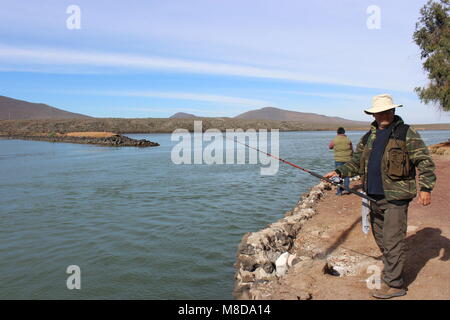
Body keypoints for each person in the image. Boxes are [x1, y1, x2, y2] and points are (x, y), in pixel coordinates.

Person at [324, 94, 436, 299]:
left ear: (393, 111)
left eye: (387, 111)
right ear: (373, 114)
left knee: (393, 240)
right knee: (381, 238)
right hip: (372, 196)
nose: (384, 115)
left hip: (396, 197)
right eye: (379, 112)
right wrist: (339, 173)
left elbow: (425, 161)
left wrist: (426, 188)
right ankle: (394, 266)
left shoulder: (406, 133)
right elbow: (356, 163)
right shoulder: (368, 137)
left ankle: (395, 284)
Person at [328, 127, 353, 195]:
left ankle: (339, 191)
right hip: (348, 159)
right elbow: (352, 149)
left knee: (338, 175)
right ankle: (347, 189)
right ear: (344, 132)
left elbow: (330, 147)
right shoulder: (348, 139)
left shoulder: (335, 140)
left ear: (337, 132)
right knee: (346, 174)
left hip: (338, 160)